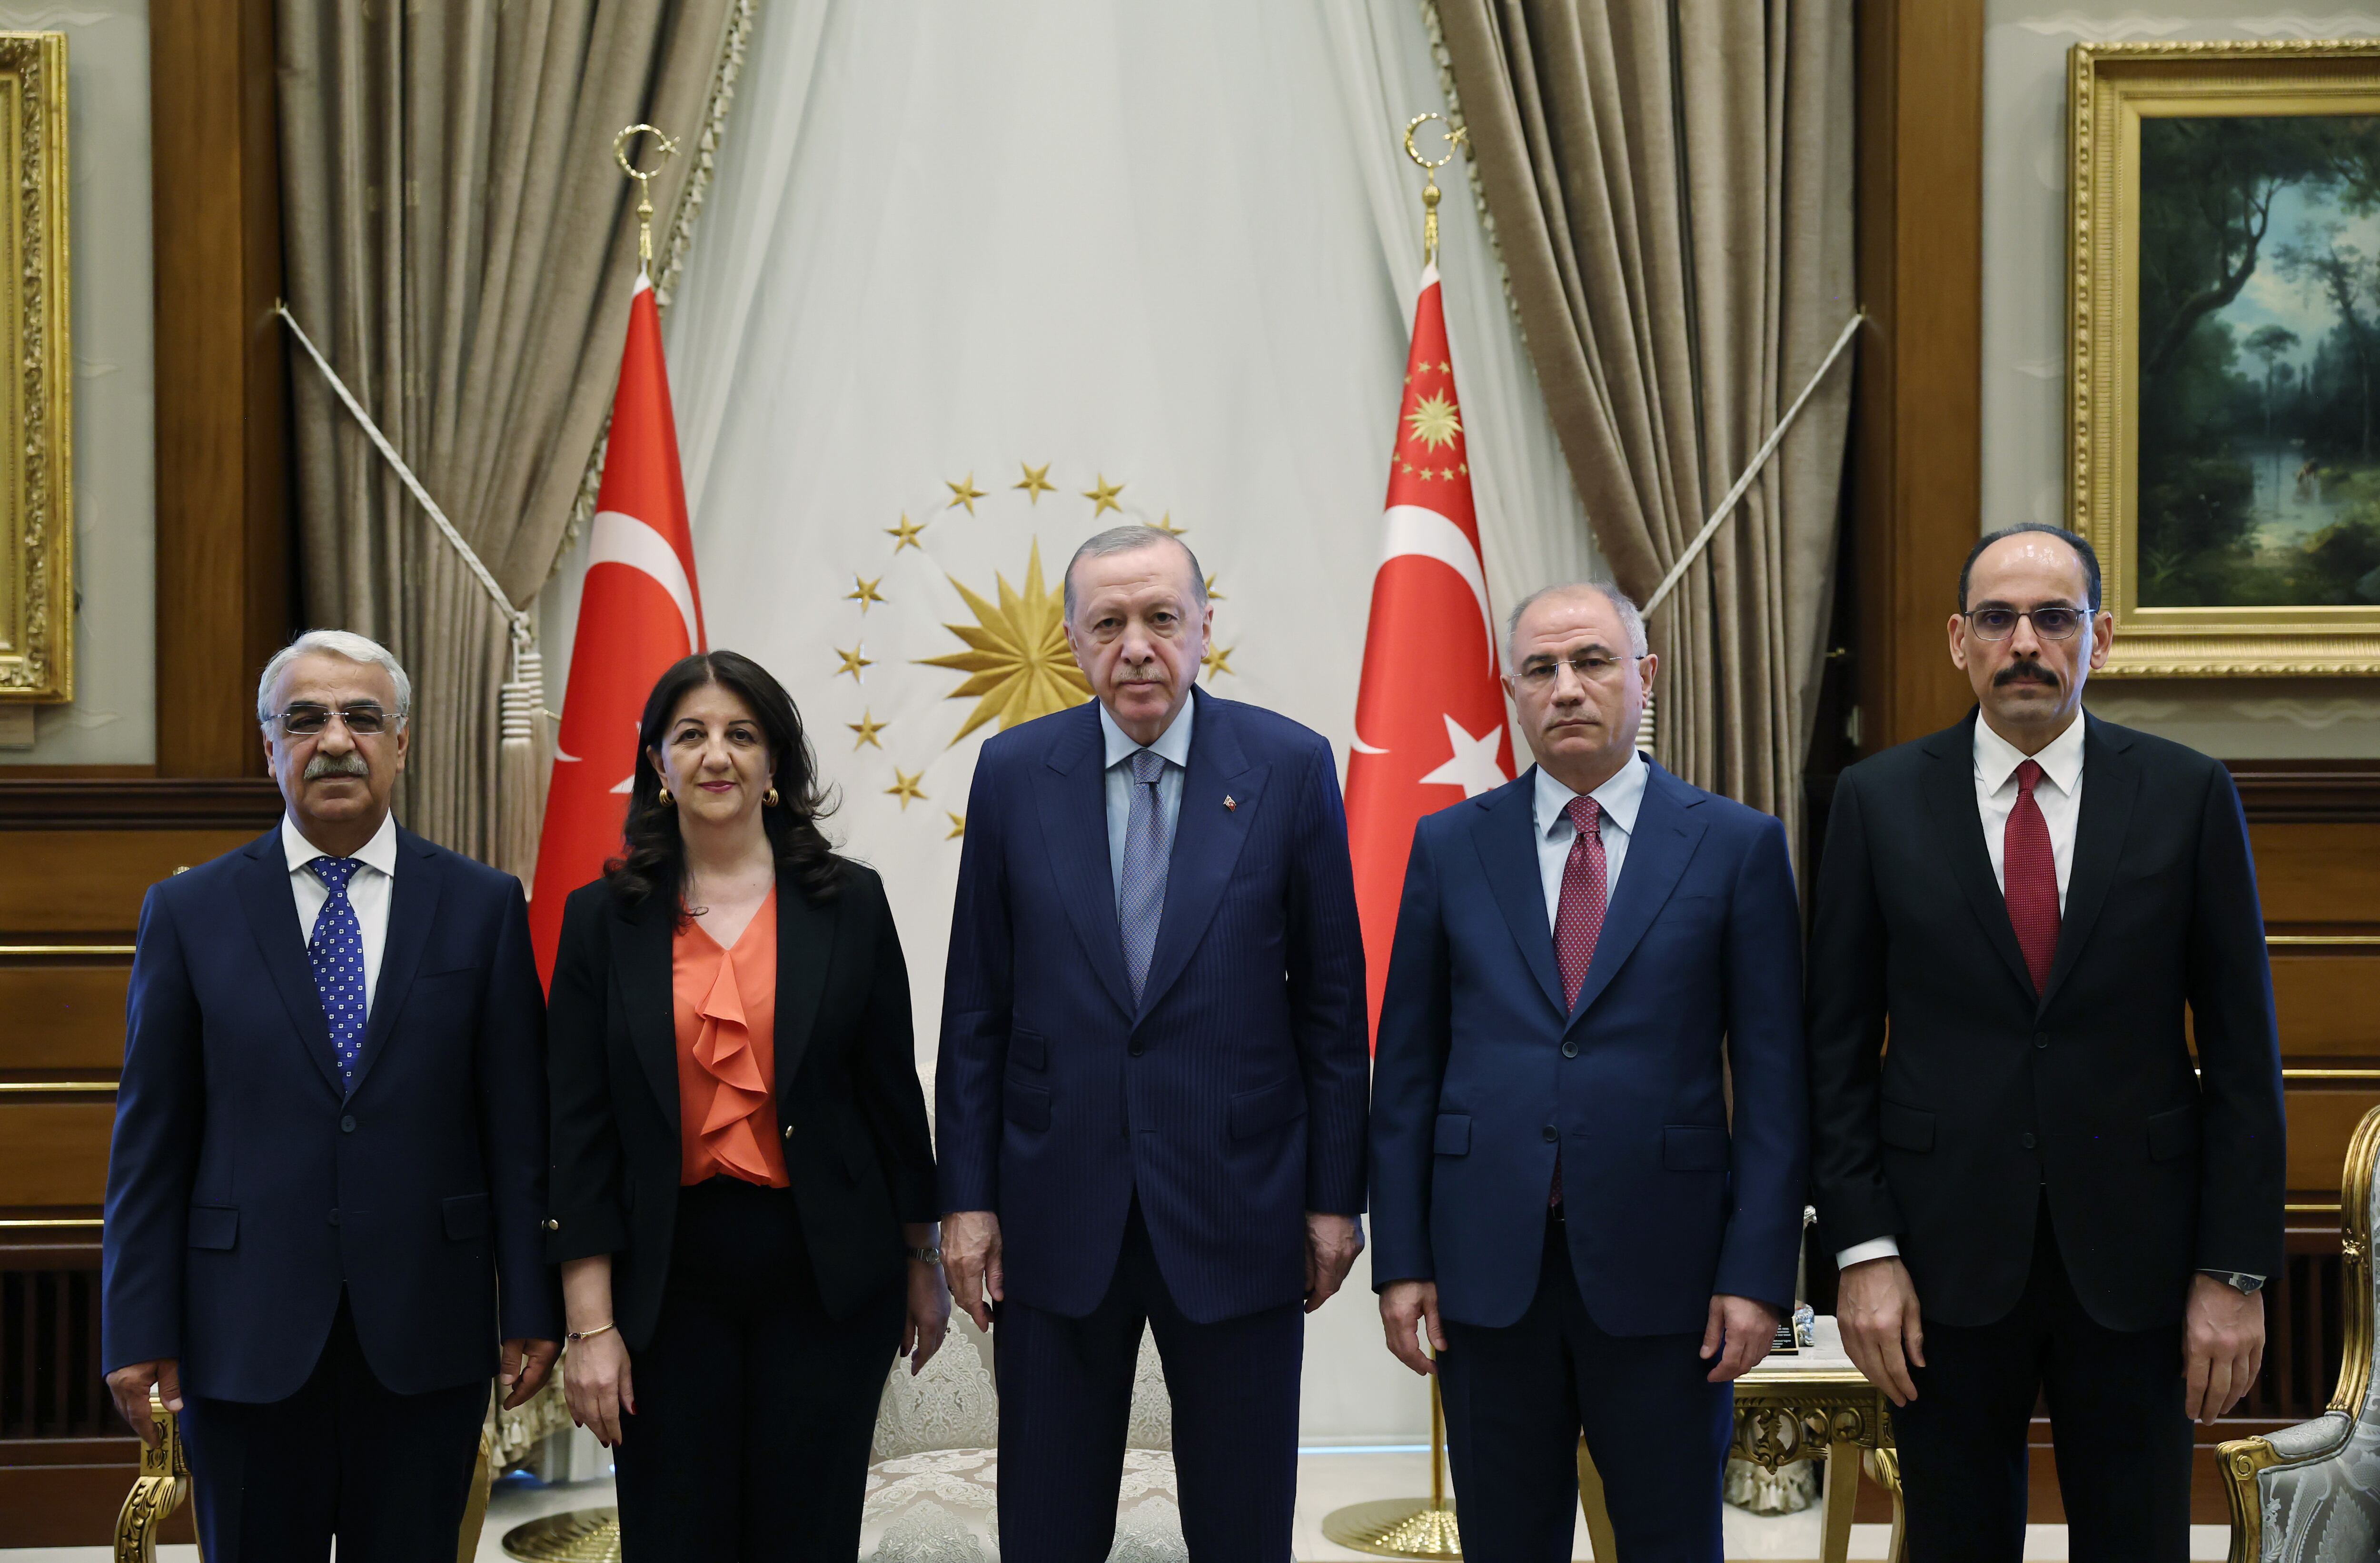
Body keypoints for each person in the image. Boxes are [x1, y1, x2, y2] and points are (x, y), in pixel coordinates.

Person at [1808, 523, 2284, 1561]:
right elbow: (1832, 1053)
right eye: (1997, 618)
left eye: (2054, 617)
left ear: (2098, 639)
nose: (2024, 642)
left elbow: (2245, 1055)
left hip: (2140, 1262)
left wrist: (2235, 1270)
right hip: (1937, 1264)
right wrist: (1863, 1250)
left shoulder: (2188, 793)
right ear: (1958, 640)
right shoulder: (1876, 802)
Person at [936, 524, 1369, 1562]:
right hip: (1054, 1205)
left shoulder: (1289, 765)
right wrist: (967, 1199)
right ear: (1073, 641)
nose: (1137, 646)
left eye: (1161, 618)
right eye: (1109, 623)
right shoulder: (1012, 772)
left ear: (1204, 628)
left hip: (1239, 1203)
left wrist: (1333, 1198)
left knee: (1240, 1525)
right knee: (1048, 1525)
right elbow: (976, 1007)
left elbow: (1332, 1009)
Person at [1368, 581, 1808, 1563]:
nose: (1567, 688)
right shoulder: (1450, 844)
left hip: (1671, 1275)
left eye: (1593, 662)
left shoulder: (1736, 845)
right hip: (1487, 1273)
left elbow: (1775, 1087)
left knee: (1670, 1542)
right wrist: (1401, 1259)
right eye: (1541, 669)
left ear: (1645, 676)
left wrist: (1757, 1276)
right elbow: (1406, 1071)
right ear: (1513, 695)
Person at [99, 629, 559, 1561]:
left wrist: (531, 1304)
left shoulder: (482, 906)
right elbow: (152, 1143)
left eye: (363, 717)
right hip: (243, 1334)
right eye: (305, 719)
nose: (336, 740)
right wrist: (136, 1324)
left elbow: (518, 1134)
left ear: (403, 741)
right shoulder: (188, 913)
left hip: (427, 1328)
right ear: (269, 745)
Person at [545, 650, 945, 1563]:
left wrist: (922, 1258)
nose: (716, 755)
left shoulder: (850, 902)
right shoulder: (601, 920)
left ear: (775, 765)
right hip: (663, 1290)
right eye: (691, 735)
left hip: (827, 1283)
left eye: (741, 735)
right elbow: (578, 1132)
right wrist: (590, 1327)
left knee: (807, 1538)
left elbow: (892, 1096)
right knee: (674, 1539)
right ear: (658, 763)